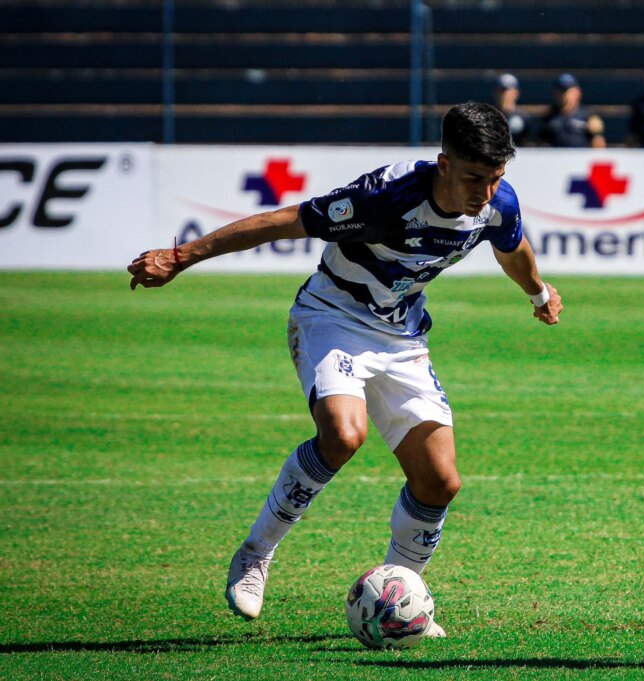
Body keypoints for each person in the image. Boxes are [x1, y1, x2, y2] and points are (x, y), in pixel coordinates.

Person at [126, 103, 564, 637]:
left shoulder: (497, 202)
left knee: (440, 481)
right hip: (331, 319)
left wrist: (538, 292)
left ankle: (400, 601)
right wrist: (181, 257)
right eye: (475, 178)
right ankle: (255, 555)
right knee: (343, 434)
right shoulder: (386, 198)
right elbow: (285, 222)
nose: (487, 192)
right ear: (444, 163)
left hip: (402, 338)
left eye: (496, 178)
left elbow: (511, 246)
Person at [538, 73, 606, 148]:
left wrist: (596, 135)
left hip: (580, 157)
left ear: (577, 93)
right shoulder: (549, 116)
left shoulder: (588, 117)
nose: (564, 95)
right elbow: (541, 144)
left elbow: (599, 144)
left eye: (568, 91)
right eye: (561, 91)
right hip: (556, 158)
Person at [492, 72, 532, 146]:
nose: (504, 95)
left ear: (516, 93)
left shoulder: (523, 118)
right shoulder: (489, 116)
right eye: (501, 90)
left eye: (507, 90)